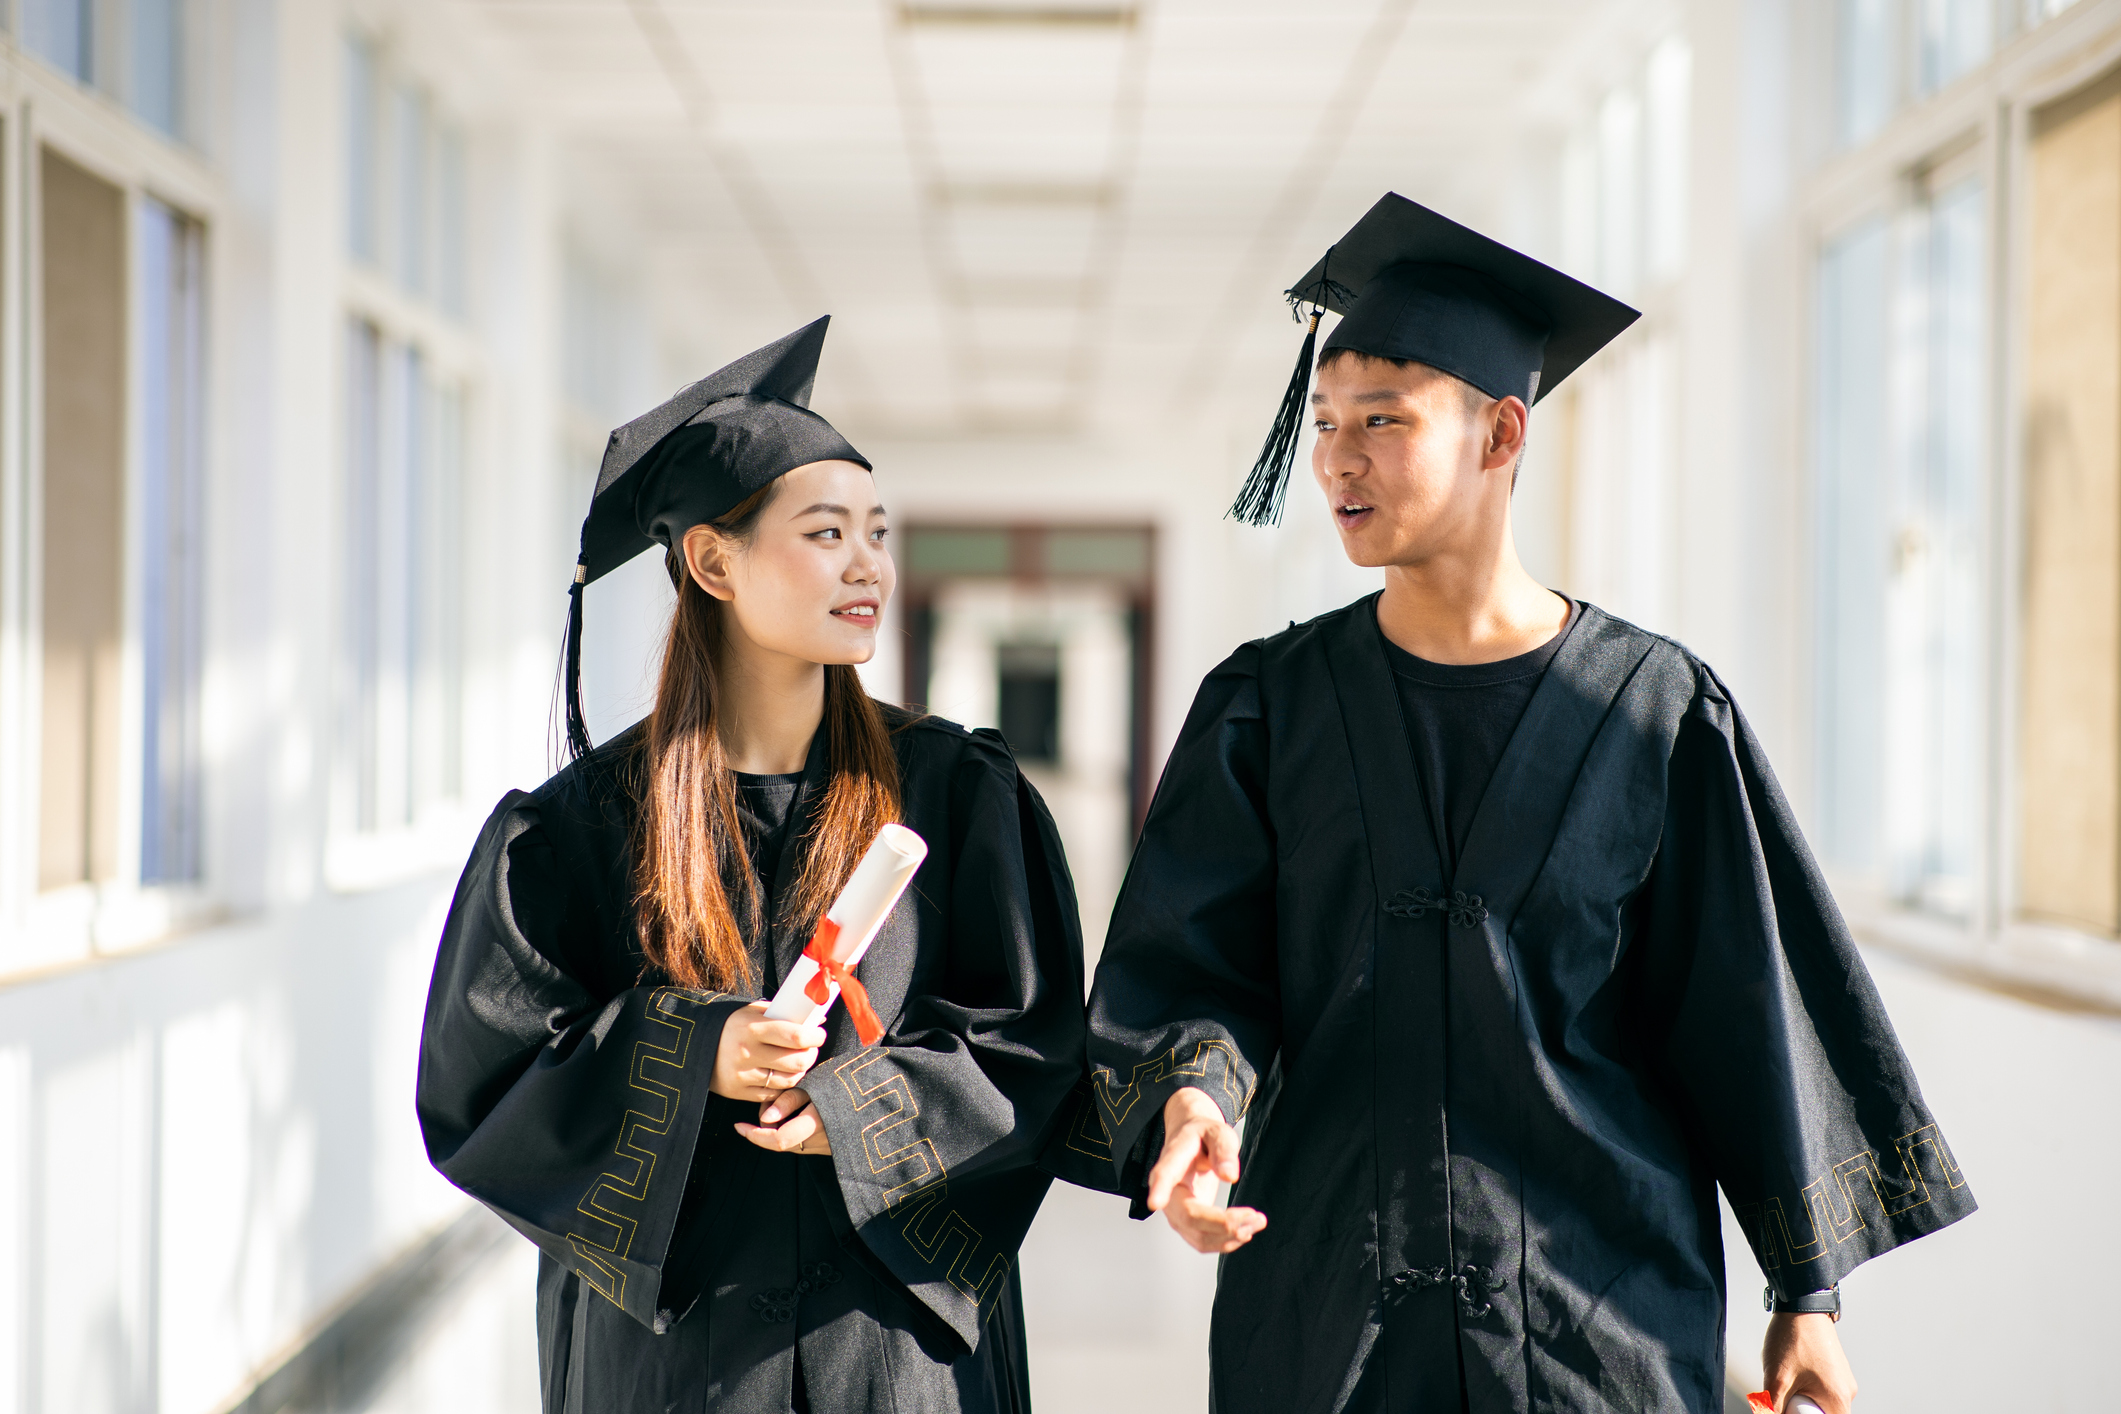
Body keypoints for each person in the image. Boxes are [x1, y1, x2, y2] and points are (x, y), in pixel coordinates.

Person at [1084, 196, 1976, 1414]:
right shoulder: (1268, 707)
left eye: (1383, 422)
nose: (1338, 457)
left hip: (1595, 1316)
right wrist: (1193, 1097)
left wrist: (1805, 1293)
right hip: (1330, 1306)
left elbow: (1747, 1001)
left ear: (1502, 434)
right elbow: (1193, 966)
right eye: (1329, 421)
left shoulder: (1657, 714)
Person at [416, 318, 1091, 1413]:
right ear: (712, 561)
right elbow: (482, 1084)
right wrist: (691, 1054)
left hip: (897, 1359)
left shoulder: (958, 795)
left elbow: (1039, 1046)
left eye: (877, 531)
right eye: (827, 533)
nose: (868, 563)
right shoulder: (577, 831)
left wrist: (866, 1106)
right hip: (677, 1366)